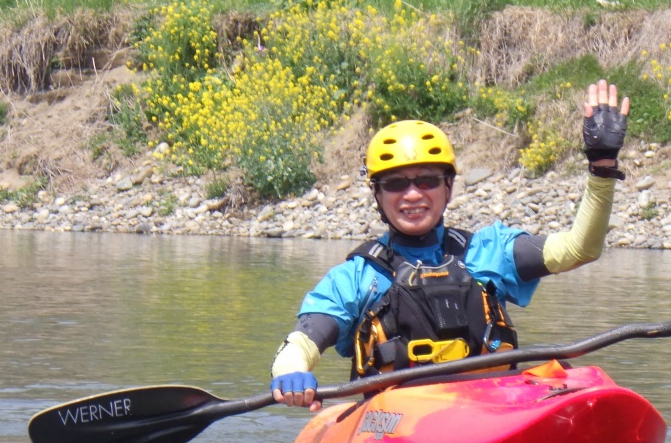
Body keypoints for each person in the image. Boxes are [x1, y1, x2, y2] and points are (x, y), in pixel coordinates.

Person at [270, 80, 630, 409]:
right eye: (395, 184)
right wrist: (292, 374)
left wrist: (602, 168)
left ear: (448, 187)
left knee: (567, 374)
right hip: (398, 419)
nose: (413, 194)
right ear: (377, 194)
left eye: (427, 180)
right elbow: (300, 344)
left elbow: (580, 248)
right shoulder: (356, 278)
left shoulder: (488, 252)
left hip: (489, 407)